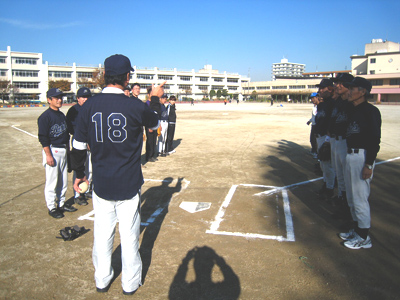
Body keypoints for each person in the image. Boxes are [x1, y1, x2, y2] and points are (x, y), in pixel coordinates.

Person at [71, 54, 162, 294]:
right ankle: (130, 284)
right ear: (127, 77)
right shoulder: (134, 105)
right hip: (129, 183)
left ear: (105, 76)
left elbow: (78, 146)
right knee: (130, 237)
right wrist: (154, 98)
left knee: (102, 235)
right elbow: (154, 125)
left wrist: (79, 175)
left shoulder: (88, 105)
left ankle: (102, 279)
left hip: (101, 182)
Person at [339, 77, 381, 250]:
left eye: (353, 88)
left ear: (363, 91)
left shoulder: (371, 111)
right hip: (350, 155)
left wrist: (369, 164)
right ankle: (357, 229)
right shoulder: (352, 109)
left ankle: (364, 237)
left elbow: (374, 140)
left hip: (362, 156)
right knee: (351, 196)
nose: (349, 91)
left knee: (360, 198)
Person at [38, 88, 77, 218]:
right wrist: (48, 155)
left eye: (60, 97)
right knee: (52, 181)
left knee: (63, 181)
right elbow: (43, 138)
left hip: (63, 149)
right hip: (52, 150)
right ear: (49, 100)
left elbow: (66, 135)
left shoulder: (61, 115)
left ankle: (61, 203)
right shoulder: (45, 117)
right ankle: (51, 207)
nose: (59, 100)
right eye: (56, 98)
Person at [329, 73, 354, 220]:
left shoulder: (352, 104)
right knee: (341, 177)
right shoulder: (338, 102)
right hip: (336, 141)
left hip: (346, 143)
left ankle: (348, 211)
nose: (337, 86)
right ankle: (342, 204)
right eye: (336, 83)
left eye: (340, 83)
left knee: (347, 179)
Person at [66, 87, 92, 206]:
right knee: (79, 167)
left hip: (90, 143)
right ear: (78, 98)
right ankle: (78, 195)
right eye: (83, 97)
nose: (86, 99)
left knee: (90, 169)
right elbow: (70, 128)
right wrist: (80, 138)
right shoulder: (73, 110)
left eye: (87, 97)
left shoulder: (91, 109)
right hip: (78, 142)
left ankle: (86, 190)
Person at [314, 78, 336, 200]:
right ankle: (326, 184)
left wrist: (327, 139)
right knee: (323, 165)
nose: (320, 90)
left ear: (330, 89)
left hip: (326, 137)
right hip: (319, 137)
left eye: (322, 88)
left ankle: (330, 188)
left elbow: (332, 123)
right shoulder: (322, 105)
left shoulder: (333, 104)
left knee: (328, 165)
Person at [307, 92, 319, 159]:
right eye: (311, 99)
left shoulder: (318, 106)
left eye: (313, 98)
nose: (312, 100)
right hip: (313, 124)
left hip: (316, 125)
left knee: (315, 140)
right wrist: (310, 121)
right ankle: (314, 150)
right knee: (312, 139)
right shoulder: (314, 106)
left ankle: (316, 152)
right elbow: (313, 117)